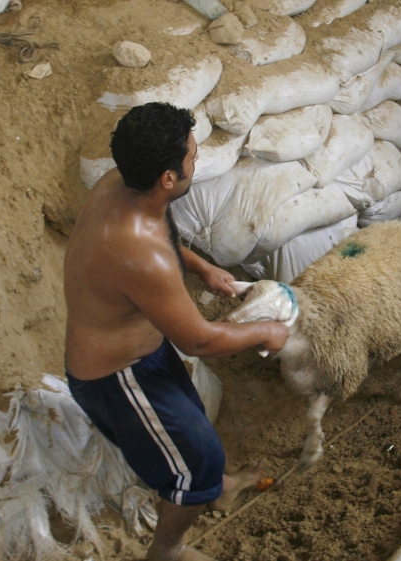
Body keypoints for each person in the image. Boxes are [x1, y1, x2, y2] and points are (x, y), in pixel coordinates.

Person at [63, 102, 290, 561]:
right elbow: (200, 340)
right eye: (190, 155)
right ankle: (167, 549)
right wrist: (266, 330)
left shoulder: (122, 184)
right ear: (168, 177)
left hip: (141, 357)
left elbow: (163, 237)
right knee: (196, 468)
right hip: (118, 381)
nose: (196, 159)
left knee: (195, 432)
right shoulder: (137, 251)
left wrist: (202, 265)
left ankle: (219, 486)